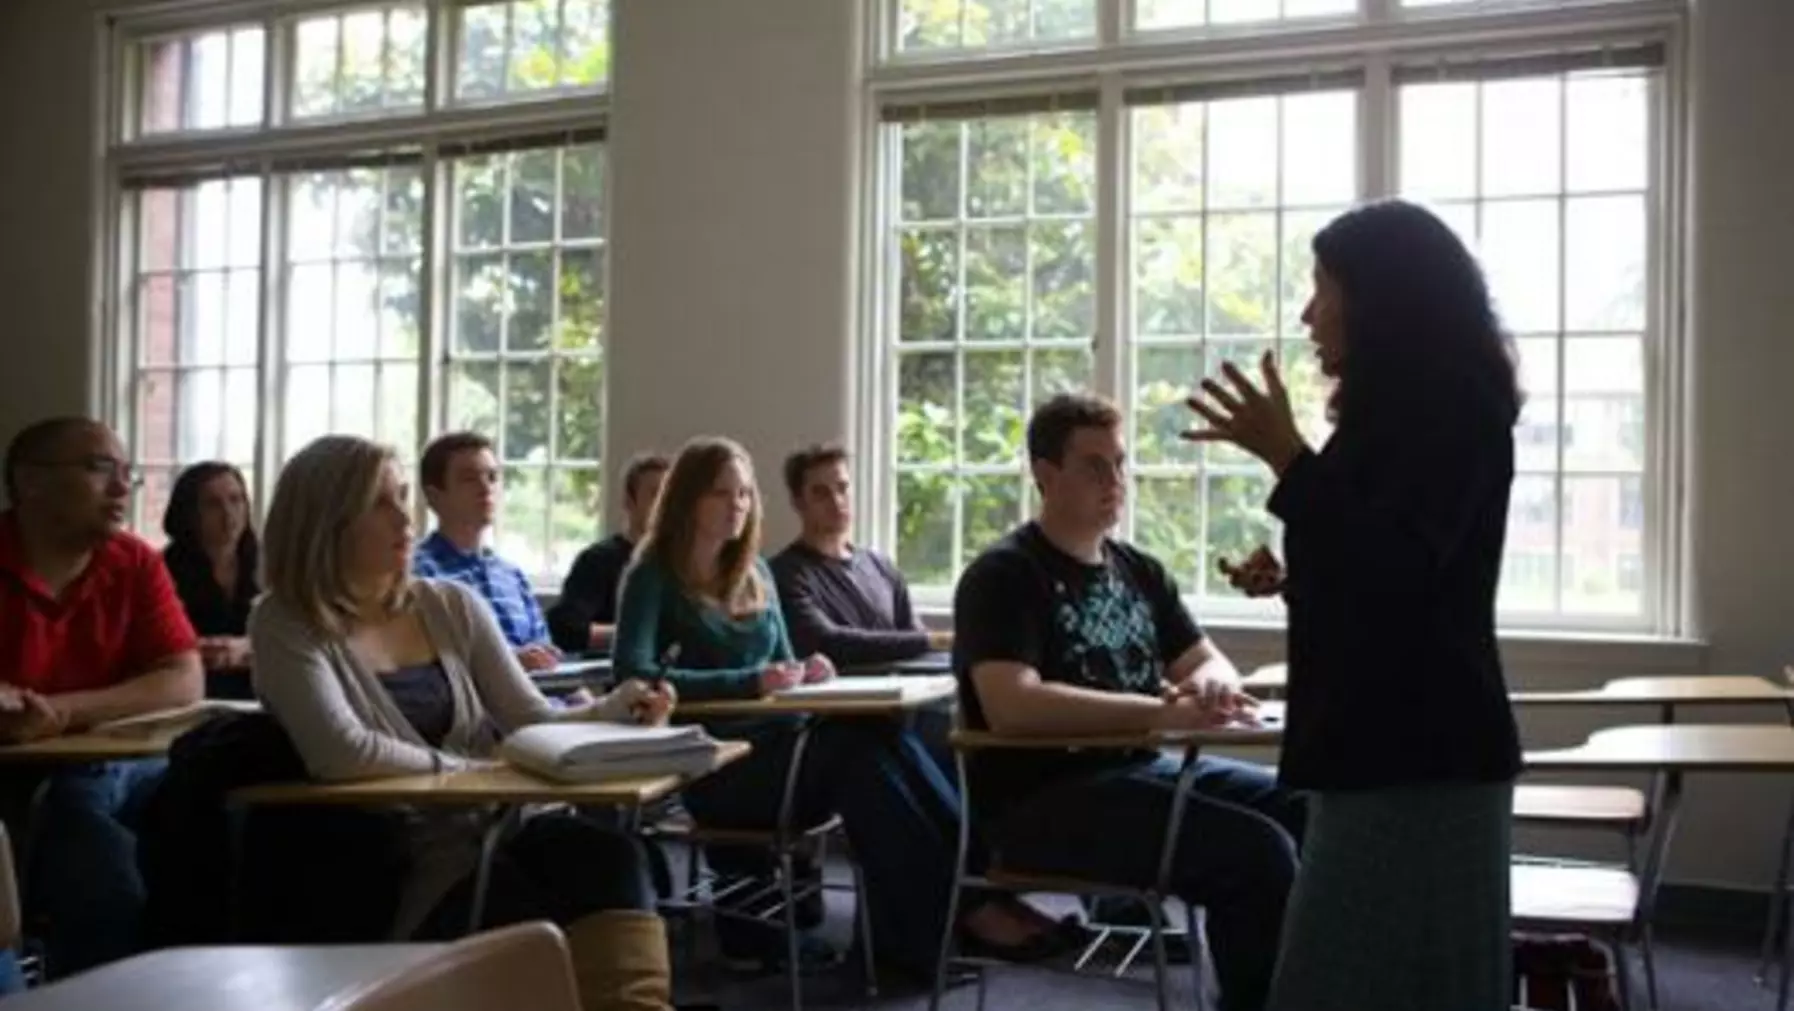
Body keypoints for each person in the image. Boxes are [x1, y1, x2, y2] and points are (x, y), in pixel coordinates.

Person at [1184, 199, 1523, 1011]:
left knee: (1355, 983)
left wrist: (1286, 457)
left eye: (1323, 285)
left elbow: (1406, 564)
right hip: (1387, 749)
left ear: (1382, 296)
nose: (1308, 310)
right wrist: (1298, 580)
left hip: (1420, 756)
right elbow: (1392, 574)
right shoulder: (1395, 415)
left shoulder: (1456, 409)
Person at [250, 435, 681, 1011]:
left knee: (610, 859)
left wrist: (617, 709)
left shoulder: (449, 604)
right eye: (381, 503)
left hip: (502, 823)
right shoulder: (285, 620)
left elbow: (530, 719)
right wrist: (470, 770)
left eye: (403, 496)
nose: (405, 516)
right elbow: (342, 751)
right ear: (328, 521)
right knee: (525, 910)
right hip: (406, 856)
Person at [612, 436, 1064, 979]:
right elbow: (633, 675)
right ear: (687, 500)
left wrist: (809, 671)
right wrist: (750, 680)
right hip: (718, 765)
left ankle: (960, 902)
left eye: (744, 494)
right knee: (859, 755)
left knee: (885, 737)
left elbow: (783, 664)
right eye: (720, 494)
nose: (736, 505)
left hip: (783, 743)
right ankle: (933, 932)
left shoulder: (754, 571)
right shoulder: (653, 575)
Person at [953, 393, 1306, 1011]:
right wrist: (1160, 715)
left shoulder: (1139, 570)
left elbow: (1204, 658)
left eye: (1120, 463)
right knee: (1256, 853)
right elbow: (1013, 705)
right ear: (1044, 474)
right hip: (1040, 804)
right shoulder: (1004, 576)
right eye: (1094, 466)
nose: (1115, 481)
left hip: (1137, 774)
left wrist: (1214, 685)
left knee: (1308, 808)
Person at [0, 417, 203, 976]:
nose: (121, 488)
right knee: (86, 842)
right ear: (30, 482)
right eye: (99, 469)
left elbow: (184, 678)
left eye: (127, 473)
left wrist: (63, 713)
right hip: (15, 771)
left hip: (111, 766)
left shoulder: (134, 561)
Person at [769, 442, 950, 668]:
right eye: (820, 493)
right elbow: (826, 643)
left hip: (908, 689)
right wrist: (938, 640)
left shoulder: (882, 566)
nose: (836, 501)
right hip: (844, 698)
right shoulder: (785, 573)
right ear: (798, 502)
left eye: (842, 488)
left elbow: (913, 639)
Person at [412, 432, 558, 672]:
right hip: (483, 705)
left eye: (492, 477)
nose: (485, 488)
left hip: (544, 700)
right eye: (469, 479)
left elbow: (549, 661)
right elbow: (434, 663)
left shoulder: (512, 575)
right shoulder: (420, 572)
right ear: (434, 496)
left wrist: (593, 706)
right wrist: (509, 662)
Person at [548, 452, 669, 654]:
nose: (665, 505)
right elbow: (567, 630)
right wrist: (636, 634)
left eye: (671, 496)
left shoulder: (684, 562)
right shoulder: (598, 560)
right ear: (629, 501)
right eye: (655, 494)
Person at [160, 461, 259, 699]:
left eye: (236, 500)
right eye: (213, 504)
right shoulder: (162, 569)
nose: (228, 513)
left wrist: (247, 649)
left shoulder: (272, 565)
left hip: (262, 690)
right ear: (189, 513)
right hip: (191, 691)